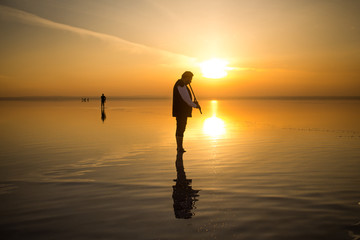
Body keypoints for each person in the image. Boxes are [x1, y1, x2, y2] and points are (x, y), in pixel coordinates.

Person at [172, 71, 200, 152]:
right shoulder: (181, 85)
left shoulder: (181, 84)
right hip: (181, 111)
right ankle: (179, 147)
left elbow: (186, 100)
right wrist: (195, 106)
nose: (191, 81)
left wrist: (193, 103)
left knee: (181, 128)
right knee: (181, 128)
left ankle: (180, 147)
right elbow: (186, 100)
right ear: (186, 77)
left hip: (181, 111)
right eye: (190, 79)